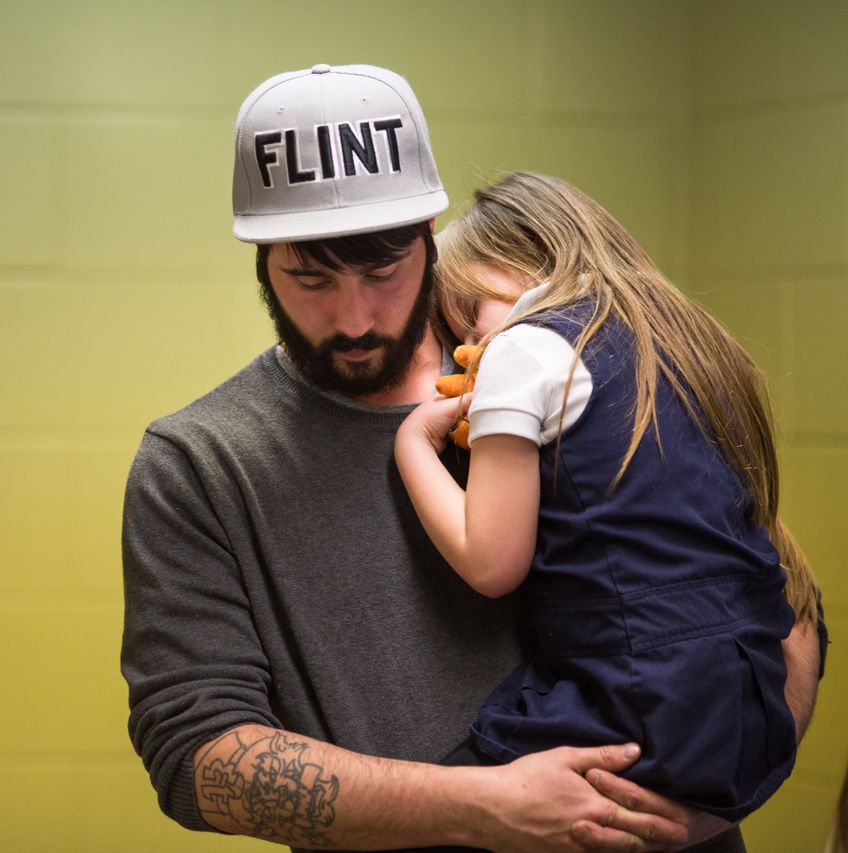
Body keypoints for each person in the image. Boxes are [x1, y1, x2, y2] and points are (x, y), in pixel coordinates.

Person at [120, 64, 824, 852]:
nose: (355, 316)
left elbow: (783, 602)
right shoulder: (199, 461)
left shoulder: (558, 365)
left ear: (429, 239)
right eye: (310, 278)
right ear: (261, 265)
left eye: (383, 272)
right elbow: (196, 757)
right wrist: (479, 803)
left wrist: (708, 801)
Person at [394, 171, 822, 825]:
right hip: (747, 708)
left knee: (426, 816)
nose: (466, 351)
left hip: (633, 704)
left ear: (506, 270)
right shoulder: (688, 343)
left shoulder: (526, 346)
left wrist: (414, 448)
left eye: (463, 316)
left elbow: (491, 562)